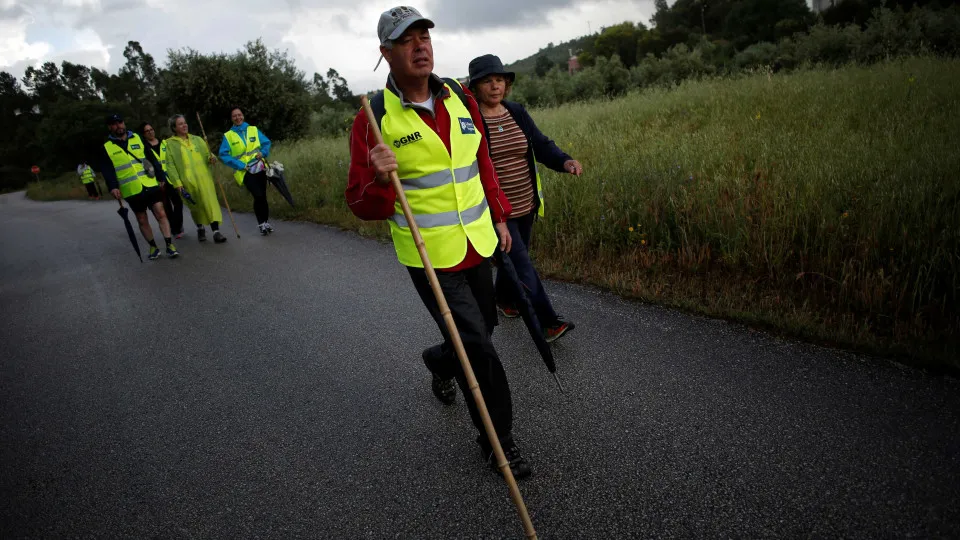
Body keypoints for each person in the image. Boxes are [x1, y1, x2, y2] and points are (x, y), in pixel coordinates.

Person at [345, 6, 531, 479]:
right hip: (430, 257)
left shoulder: (459, 97)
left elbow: (479, 162)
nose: (420, 45)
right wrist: (383, 179)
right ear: (386, 53)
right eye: (407, 40)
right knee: (478, 348)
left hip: (478, 241)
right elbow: (361, 204)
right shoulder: (372, 117)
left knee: (481, 330)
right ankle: (498, 443)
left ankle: (438, 359)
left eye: (424, 35)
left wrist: (500, 215)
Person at [467, 54, 584, 343]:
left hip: (526, 204)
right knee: (522, 265)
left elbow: (540, 144)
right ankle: (547, 323)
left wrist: (564, 161)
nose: (495, 86)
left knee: (516, 263)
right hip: (497, 212)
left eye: (500, 80)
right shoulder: (470, 121)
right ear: (475, 87)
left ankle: (505, 302)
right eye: (487, 81)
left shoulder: (516, 111)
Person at [99, 113, 179, 260]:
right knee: (142, 219)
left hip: (149, 183)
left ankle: (169, 245)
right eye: (115, 124)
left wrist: (160, 176)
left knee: (160, 213)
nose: (119, 126)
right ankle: (153, 247)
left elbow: (150, 157)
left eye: (120, 122)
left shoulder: (137, 138)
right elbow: (107, 170)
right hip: (131, 189)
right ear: (110, 127)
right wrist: (112, 187)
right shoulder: (107, 147)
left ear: (124, 123)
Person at [165, 115, 227, 244]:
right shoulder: (170, 144)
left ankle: (216, 232)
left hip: (204, 178)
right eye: (180, 124)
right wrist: (177, 183)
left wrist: (212, 158)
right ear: (174, 128)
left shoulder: (197, 139)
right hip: (187, 181)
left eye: (185, 123)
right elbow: (170, 165)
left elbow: (207, 154)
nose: (184, 125)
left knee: (210, 203)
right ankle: (200, 228)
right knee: (196, 206)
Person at [219, 107, 274, 235]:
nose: (238, 118)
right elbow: (224, 154)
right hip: (244, 171)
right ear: (231, 119)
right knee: (258, 195)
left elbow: (266, 143)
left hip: (259, 167)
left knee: (263, 196)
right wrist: (240, 165)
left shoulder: (253, 129)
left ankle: (266, 222)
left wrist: (263, 152)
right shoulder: (228, 136)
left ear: (243, 116)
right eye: (234, 116)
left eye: (239, 115)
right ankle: (261, 224)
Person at [140, 122, 185, 239]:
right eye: (147, 131)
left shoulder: (165, 143)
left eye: (151, 129)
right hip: (158, 180)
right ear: (144, 134)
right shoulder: (145, 148)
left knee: (178, 202)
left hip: (171, 177)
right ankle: (175, 229)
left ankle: (177, 225)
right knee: (166, 206)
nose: (150, 132)